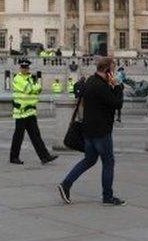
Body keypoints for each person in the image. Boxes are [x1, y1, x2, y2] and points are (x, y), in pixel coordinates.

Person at [57, 57, 124, 206]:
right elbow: (117, 104)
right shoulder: (101, 86)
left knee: (89, 159)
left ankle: (66, 184)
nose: (113, 73)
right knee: (108, 162)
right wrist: (118, 86)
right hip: (101, 131)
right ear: (107, 71)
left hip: (88, 130)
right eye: (112, 70)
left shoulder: (89, 82)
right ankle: (107, 196)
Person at [9, 60, 58, 165]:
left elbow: (39, 88)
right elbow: (28, 89)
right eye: (23, 67)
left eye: (26, 68)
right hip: (21, 112)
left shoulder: (31, 78)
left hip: (30, 111)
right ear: (20, 68)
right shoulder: (17, 78)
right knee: (18, 136)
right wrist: (34, 88)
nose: (25, 69)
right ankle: (13, 157)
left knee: (36, 136)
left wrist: (34, 88)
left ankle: (45, 157)